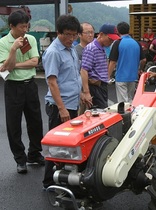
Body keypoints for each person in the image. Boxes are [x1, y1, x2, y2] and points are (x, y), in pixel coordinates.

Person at [0, 10, 44, 174]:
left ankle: (34, 153)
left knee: (36, 121)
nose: (25, 29)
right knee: (14, 125)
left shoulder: (30, 39)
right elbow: (4, 67)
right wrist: (12, 50)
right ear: (12, 26)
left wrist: (12, 65)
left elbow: (34, 62)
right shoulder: (4, 42)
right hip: (13, 86)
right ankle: (20, 159)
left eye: (27, 26)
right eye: (21, 27)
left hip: (30, 85)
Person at [42, 14, 82, 189]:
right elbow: (52, 82)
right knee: (56, 146)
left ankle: (64, 179)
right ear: (58, 32)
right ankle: (49, 182)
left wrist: (81, 94)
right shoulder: (53, 52)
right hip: (60, 107)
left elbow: (73, 75)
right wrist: (62, 109)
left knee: (69, 145)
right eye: (67, 34)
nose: (71, 39)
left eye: (74, 35)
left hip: (72, 103)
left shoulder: (71, 48)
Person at [81, 23, 120, 109]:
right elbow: (84, 70)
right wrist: (86, 92)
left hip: (102, 86)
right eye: (110, 39)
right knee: (99, 113)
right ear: (101, 34)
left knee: (102, 112)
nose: (111, 42)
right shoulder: (91, 49)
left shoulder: (102, 48)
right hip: (95, 87)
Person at [108, 22, 146, 103]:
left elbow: (112, 62)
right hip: (133, 76)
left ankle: (125, 115)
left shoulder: (117, 43)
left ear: (117, 31)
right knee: (130, 100)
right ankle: (131, 115)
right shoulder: (137, 43)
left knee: (123, 103)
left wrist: (107, 76)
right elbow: (143, 60)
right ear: (129, 30)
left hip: (121, 77)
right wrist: (140, 69)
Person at [75, 22, 95, 115]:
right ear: (79, 34)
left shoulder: (95, 49)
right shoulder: (75, 51)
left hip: (95, 88)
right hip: (82, 90)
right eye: (87, 33)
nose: (90, 35)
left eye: (92, 32)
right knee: (81, 115)